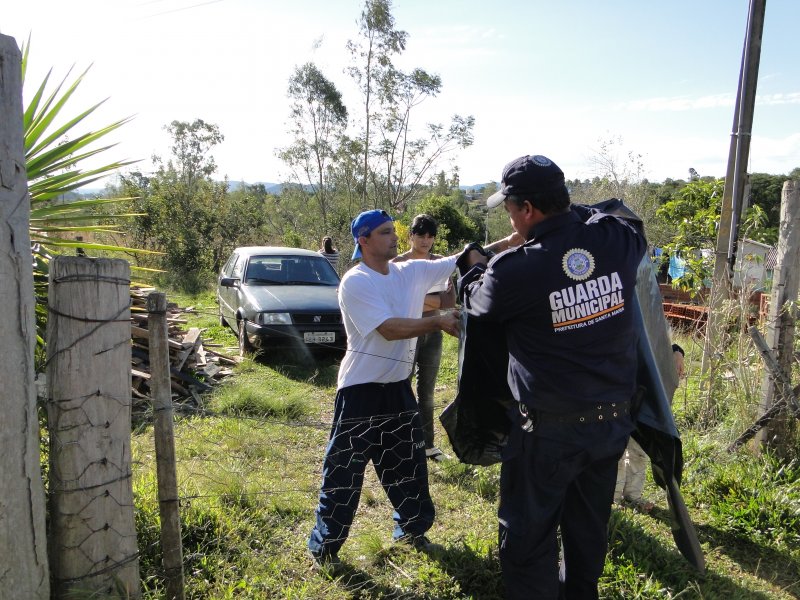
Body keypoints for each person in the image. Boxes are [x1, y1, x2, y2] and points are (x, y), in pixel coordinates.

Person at [459, 154, 647, 599]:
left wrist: (478, 260)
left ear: (525, 209)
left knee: (527, 540)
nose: (510, 218)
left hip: (547, 435)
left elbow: (475, 298)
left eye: (510, 209)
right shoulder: (617, 241)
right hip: (610, 425)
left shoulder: (514, 271)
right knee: (587, 530)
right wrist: (570, 219)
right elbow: (622, 220)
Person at [308, 209, 518, 568]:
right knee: (343, 474)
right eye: (386, 232)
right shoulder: (356, 281)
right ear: (364, 241)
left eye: (394, 231)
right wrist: (437, 321)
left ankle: (411, 532)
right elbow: (388, 329)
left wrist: (509, 243)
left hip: (397, 390)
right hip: (360, 392)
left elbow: (461, 259)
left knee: (409, 467)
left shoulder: (410, 272)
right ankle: (325, 548)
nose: (394, 237)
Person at [393, 214, 457, 461]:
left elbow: (449, 303)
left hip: (434, 332)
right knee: (401, 387)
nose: (426, 241)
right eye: (421, 235)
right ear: (410, 236)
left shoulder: (440, 263)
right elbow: (394, 299)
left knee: (427, 391)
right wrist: (432, 299)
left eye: (431, 236)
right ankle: (401, 442)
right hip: (407, 331)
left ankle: (427, 445)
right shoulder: (398, 263)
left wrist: (414, 295)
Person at [615, 342, 685, 513]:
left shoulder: (652, 316)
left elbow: (658, 337)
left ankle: (633, 496)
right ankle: (613, 498)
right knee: (616, 448)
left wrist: (677, 351)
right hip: (618, 385)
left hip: (646, 392)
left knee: (639, 447)